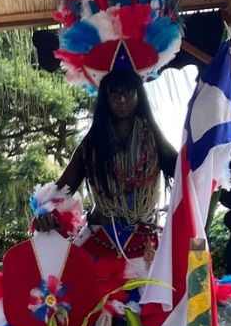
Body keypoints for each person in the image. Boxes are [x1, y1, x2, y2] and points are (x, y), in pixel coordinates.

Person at [36, 66, 176, 263]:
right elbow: (61, 190)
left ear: (139, 94)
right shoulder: (92, 144)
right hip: (99, 241)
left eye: (127, 91)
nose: (121, 99)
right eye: (114, 92)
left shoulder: (154, 141)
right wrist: (45, 213)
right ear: (104, 98)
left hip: (146, 244)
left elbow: (184, 173)